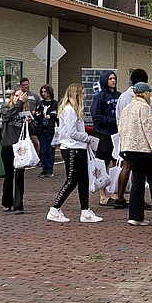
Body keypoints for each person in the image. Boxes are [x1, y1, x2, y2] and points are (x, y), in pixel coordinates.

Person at [47, 83, 103, 224]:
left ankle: (85, 211)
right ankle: (55, 208)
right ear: (77, 95)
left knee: (83, 180)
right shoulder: (70, 110)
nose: (85, 96)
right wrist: (86, 138)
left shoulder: (72, 110)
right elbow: (72, 132)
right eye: (83, 94)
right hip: (73, 148)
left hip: (78, 148)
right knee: (72, 180)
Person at [118, 82, 152, 226]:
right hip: (144, 149)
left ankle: (135, 215)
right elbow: (150, 129)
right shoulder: (144, 107)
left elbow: (121, 128)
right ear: (145, 93)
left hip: (129, 149)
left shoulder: (127, 108)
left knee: (137, 182)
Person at [114, 68, 150, 209]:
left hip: (126, 137)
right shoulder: (147, 99)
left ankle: (120, 197)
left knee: (126, 166)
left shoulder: (123, 97)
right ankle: (138, 198)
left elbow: (118, 117)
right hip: (141, 140)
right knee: (139, 170)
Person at [0, 88, 35, 213]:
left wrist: (29, 122)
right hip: (8, 146)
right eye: (16, 96)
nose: (17, 98)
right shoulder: (5, 108)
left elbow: (34, 129)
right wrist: (19, 103)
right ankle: (6, 201)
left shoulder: (25, 111)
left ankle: (18, 203)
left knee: (19, 176)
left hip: (20, 148)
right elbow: (8, 115)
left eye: (20, 96)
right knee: (8, 175)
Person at [90, 70, 120, 206]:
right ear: (104, 80)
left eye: (114, 78)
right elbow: (96, 116)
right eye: (110, 79)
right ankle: (102, 195)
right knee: (103, 164)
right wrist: (111, 121)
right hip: (104, 134)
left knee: (117, 163)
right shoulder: (100, 97)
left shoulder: (119, 96)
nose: (113, 81)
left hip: (117, 134)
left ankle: (115, 192)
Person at [33, 84, 58, 177]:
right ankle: (44, 169)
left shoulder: (55, 103)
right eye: (42, 92)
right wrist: (36, 114)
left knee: (50, 150)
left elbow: (57, 115)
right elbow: (36, 115)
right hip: (41, 129)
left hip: (50, 129)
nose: (44, 94)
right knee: (43, 150)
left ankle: (50, 169)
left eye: (45, 92)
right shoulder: (40, 103)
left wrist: (51, 116)